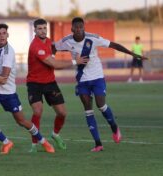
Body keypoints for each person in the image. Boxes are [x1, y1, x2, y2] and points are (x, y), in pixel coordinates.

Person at [54, 17, 148, 152]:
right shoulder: (66, 41)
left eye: (81, 27)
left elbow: (114, 45)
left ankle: (114, 127)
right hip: (82, 80)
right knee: (88, 109)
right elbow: (52, 46)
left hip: (97, 77)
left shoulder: (93, 38)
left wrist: (134, 54)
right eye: (77, 27)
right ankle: (98, 143)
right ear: (72, 29)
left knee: (101, 104)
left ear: (84, 28)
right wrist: (50, 60)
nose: (79, 29)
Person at [0, 23, 55, 154]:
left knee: (21, 121)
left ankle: (43, 141)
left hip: (8, 92)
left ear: (7, 35)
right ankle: (6, 142)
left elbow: (4, 77)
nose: (2, 35)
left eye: (4, 33)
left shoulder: (9, 52)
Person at [26, 18, 87, 152]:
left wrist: (57, 52)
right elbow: (54, 64)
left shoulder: (48, 42)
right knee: (37, 111)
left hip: (50, 82)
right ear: (34, 30)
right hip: (34, 83)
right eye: (39, 29)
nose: (42, 31)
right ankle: (34, 144)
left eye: (44, 28)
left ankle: (55, 134)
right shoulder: (36, 46)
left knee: (62, 113)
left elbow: (54, 48)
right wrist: (75, 61)